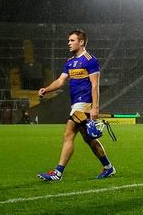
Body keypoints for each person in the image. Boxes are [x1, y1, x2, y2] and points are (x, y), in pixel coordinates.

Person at [36, 30, 115, 181]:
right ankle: (108, 167)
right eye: (69, 40)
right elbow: (60, 81)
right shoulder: (70, 62)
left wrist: (95, 108)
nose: (69, 43)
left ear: (82, 42)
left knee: (68, 134)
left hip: (84, 104)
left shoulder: (90, 60)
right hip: (76, 104)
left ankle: (58, 172)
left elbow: (95, 85)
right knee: (89, 139)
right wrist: (46, 90)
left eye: (72, 40)